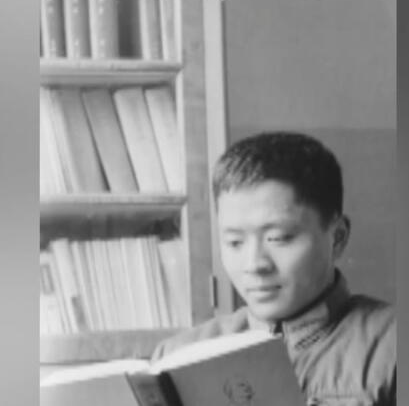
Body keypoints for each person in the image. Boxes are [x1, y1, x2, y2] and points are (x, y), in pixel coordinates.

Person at [152, 132, 396, 406]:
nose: (254, 264)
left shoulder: (397, 347)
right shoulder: (178, 357)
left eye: (278, 238)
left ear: (337, 238)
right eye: (234, 242)